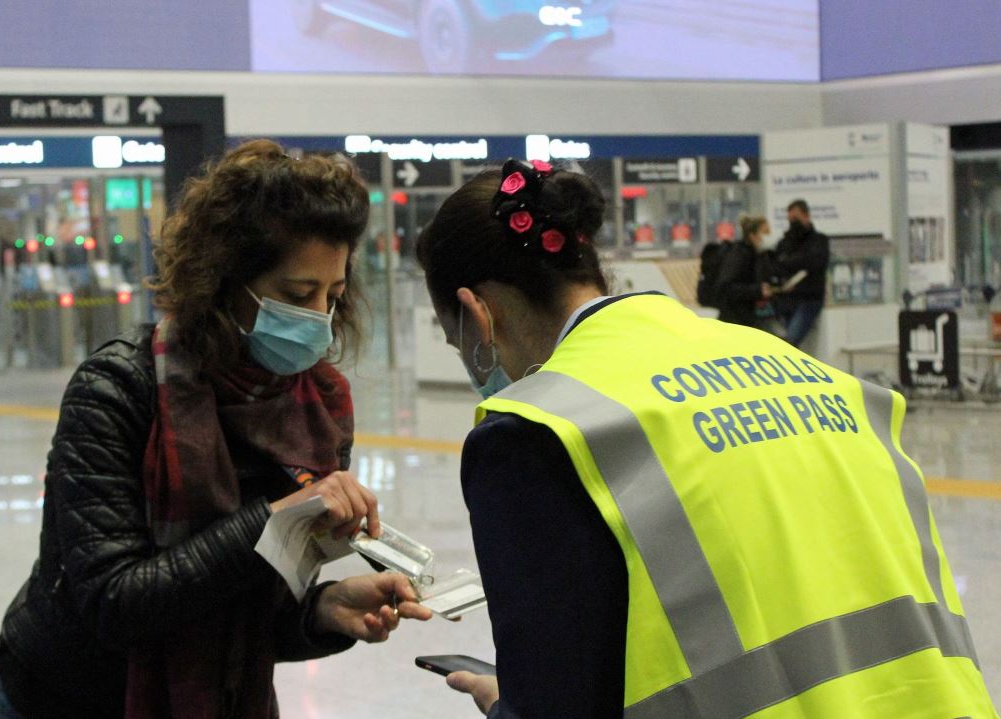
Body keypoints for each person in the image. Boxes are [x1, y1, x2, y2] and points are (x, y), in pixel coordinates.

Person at [414, 159, 997, 718]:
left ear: (477, 313)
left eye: (456, 338)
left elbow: (558, 701)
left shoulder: (537, 435)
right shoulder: (795, 364)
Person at [0, 140, 432, 719]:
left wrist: (322, 610)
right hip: (70, 696)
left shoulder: (317, 409)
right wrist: (274, 522)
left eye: (334, 295)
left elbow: (249, 608)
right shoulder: (118, 389)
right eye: (298, 295)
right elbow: (113, 603)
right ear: (223, 282)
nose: (319, 317)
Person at [771, 199, 830, 347]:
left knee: (790, 343)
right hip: (786, 300)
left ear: (806, 216)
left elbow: (814, 262)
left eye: (795, 219)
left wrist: (790, 262)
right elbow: (777, 264)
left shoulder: (819, 241)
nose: (793, 223)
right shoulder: (785, 242)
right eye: (790, 220)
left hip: (808, 299)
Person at [714, 215, 773, 328]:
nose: (768, 237)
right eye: (765, 233)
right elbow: (726, 288)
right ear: (753, 236)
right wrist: (757, 291)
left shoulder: (758, 254)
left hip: (749, 316)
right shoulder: (738, 255)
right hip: (735, 319)